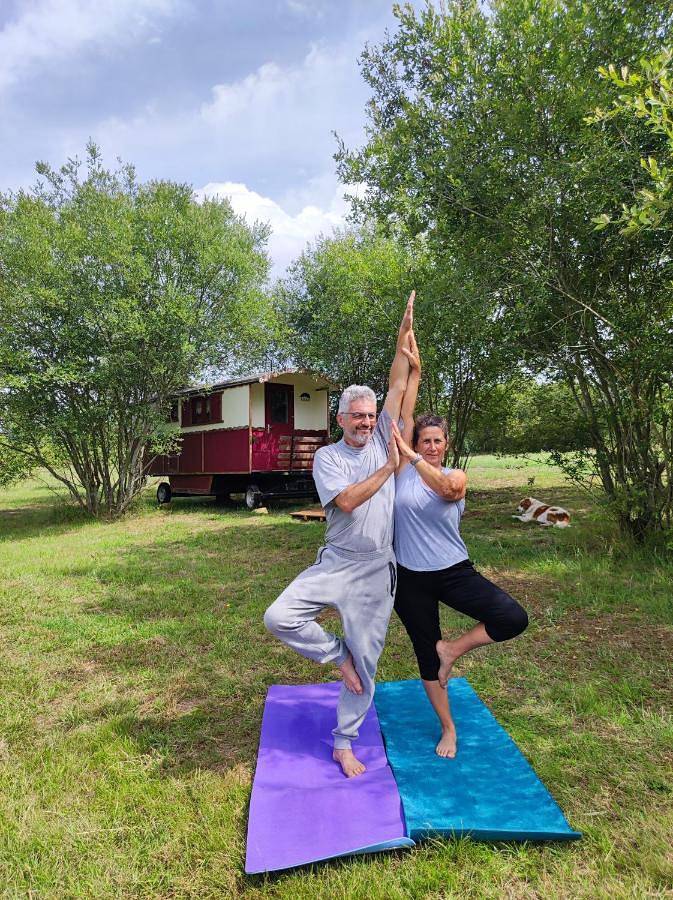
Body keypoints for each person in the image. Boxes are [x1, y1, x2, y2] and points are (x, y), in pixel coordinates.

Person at [264, 292, 416, 778]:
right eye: (358, 416)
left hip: (376, 570)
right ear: (341, 419)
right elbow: (347, 501)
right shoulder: (328, 457)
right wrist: (388, 468)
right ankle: (338, 655)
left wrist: (403, 336)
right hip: (336, 562)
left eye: (371, 416)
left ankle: (344, 742)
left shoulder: (382, 437)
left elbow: (397, 384)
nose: (367, 422)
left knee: (368, 663)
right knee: (278, 617)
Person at [391, 335, 529, 758]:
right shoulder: (401, 471)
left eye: (437, 441)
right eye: (424, 440)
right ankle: (447, 727)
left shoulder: (455, 476)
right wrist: (415, 370)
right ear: (415, 442)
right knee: (425, 654)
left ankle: (453, 648)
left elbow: (448, 491)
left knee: (512, 617)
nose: (431, 446)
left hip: (453, 571)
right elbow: (404, 412)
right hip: (409, 578)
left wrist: (415, 458)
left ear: (446, 445)